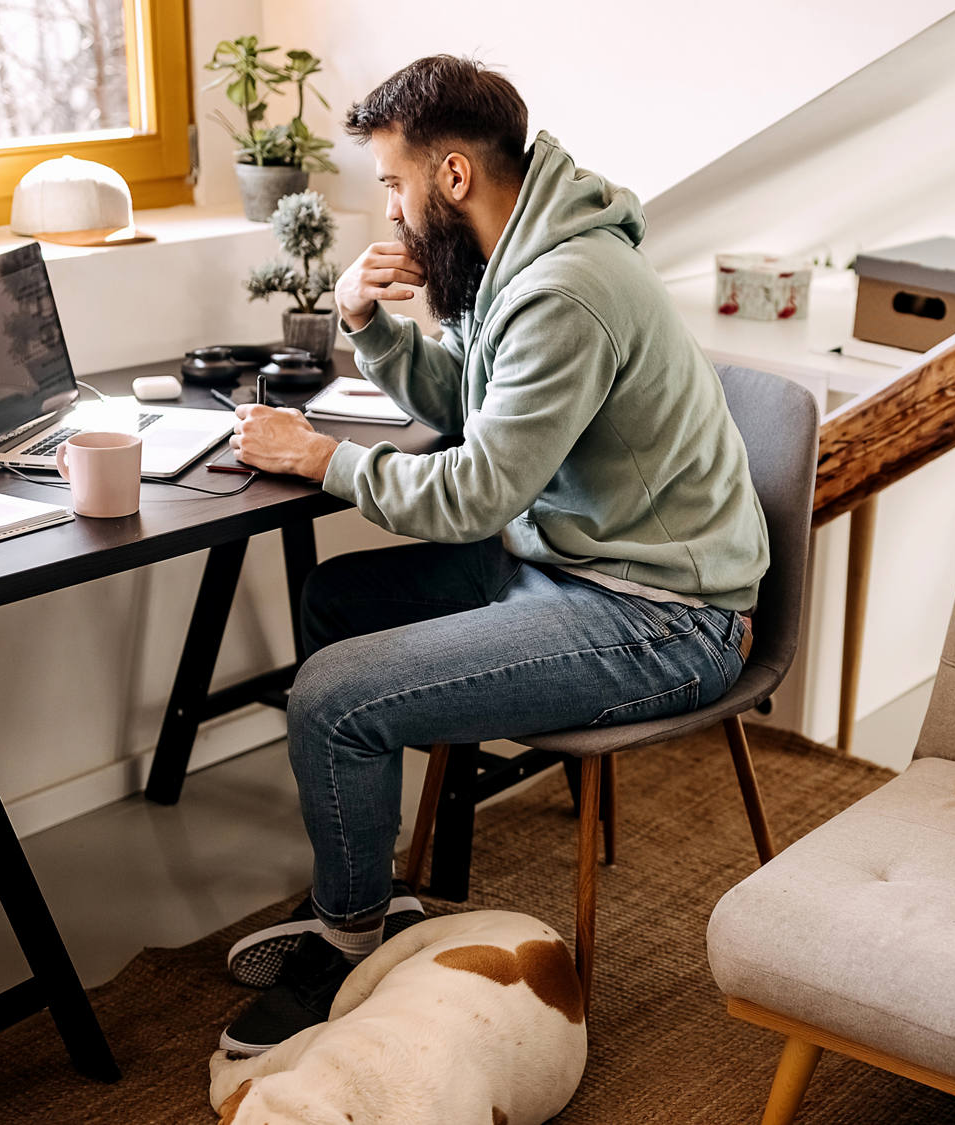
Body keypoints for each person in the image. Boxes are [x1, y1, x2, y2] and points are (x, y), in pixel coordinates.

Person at [217, 55, 768, 1055]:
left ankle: (348, 944)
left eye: (393, 183)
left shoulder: (565, 288)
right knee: (339, 602)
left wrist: (322, 458)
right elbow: (475, 411)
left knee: (336, 694)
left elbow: (474, 491)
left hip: (662, 616)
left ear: (455, 176)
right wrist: (365, 324)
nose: (388, 213)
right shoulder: (511, 259)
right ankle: (371, 892)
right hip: (563, 562)